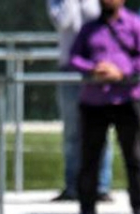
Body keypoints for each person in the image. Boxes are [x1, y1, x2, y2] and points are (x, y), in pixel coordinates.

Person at [69, 0, 140, 214]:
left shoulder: (136, 24)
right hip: (94, 101)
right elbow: (74, 57)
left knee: (134, 157)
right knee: (89, 159)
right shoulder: (89, 29)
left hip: (127, 99)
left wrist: (121, 72)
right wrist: (93, 69)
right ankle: (86, 212)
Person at [47, 0, 114, 203]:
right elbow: (64, 22)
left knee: (102, 127)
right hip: (69, 68)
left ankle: (101, 186)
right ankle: (72, 185)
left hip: (97, 67)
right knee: (72, 131)